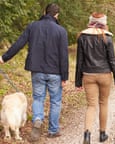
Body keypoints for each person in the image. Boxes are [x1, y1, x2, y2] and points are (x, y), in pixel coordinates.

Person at [0, 3, 68, 141]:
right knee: (55, 101)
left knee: (38, 98)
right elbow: (64, 55)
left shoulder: (33, 26)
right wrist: (65, 76)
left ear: (44, 12)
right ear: (57, 15)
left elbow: (19, 43)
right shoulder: (61, 31)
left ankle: (37, 119)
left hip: (37, 71)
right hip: (55, 72)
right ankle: (53, 130)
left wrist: (3, 58)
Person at [75, 12, 115, 144]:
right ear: (104, 23)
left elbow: (80, 62)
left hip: (88, 75)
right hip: (105, 75)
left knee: (91, 105)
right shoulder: (107, 38)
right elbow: (112, 61)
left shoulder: (82, 37)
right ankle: (102, 134)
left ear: (90, 21)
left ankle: (87, 135)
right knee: (103, 103)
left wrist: (78, 82)